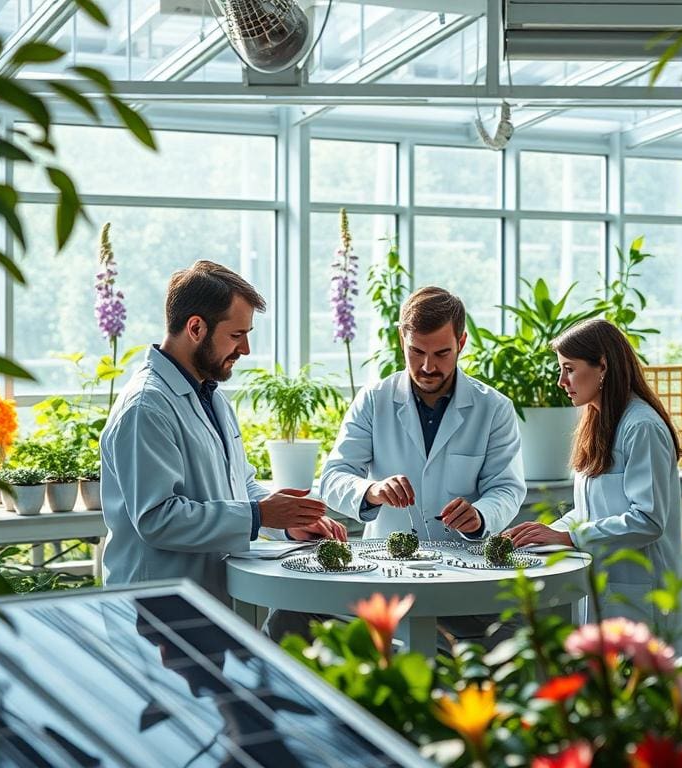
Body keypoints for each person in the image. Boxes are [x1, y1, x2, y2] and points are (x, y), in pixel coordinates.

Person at [100, 260, 346, 605]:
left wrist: (288, 522)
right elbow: (157, 519)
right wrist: (260, 515)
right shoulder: (146, 407)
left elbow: (238, 485)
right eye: (236, 335)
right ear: (196, 328)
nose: (244, 349)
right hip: (155, 605)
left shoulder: (210, 395)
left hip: (207, 598)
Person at [308, 286, 525, 650]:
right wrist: (371, 491)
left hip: (464, 576)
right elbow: (333, 477)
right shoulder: (374, 400)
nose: (428, 366)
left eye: (442, 353)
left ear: (462, 342)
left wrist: (481, 516)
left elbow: (507, 487)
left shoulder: (494, 409)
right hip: (386, 574)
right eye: (416, 352)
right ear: (401, 339)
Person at [505, 317, 682, 657]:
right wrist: (547, 531)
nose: (561, 381)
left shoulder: (642, 427)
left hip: (642, 594)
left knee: (648, 696)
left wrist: (570, 537)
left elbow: (648, 520)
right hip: (608, 587)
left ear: (602, 366)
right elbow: (595, 509)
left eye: (569, 369)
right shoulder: (599, 421)